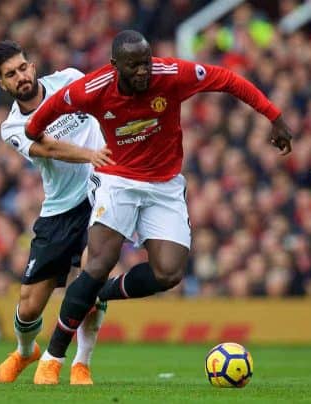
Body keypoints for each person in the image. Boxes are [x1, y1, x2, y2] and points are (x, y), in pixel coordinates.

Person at [24, 30, 294, 384]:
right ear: (115, 65)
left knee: (169, 273)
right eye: (133, 66)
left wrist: (274, 117)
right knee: (99, 262)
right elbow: (35, 125)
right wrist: (43, 138)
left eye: (146, 63)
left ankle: (99, 293)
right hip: (118, 180)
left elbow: (227, 80)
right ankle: (52, 358)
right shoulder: (91, 89)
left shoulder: (171, 75)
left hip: (165, 185)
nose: (142, 72)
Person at [0, 40, 115, 385]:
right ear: (4, 84)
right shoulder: (12, 126)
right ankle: (25, 350)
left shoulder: (70, 79)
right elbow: (47, 147)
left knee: (90, 280)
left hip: (102, 194)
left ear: (32, 65)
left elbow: (105, 101)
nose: (21, 77)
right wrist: (91, 154)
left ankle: (81, 364)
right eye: (10, 74)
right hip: (60, 210)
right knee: (29, 306)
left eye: (22, 67)